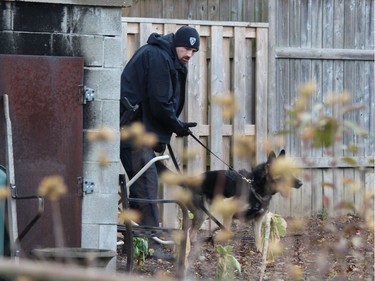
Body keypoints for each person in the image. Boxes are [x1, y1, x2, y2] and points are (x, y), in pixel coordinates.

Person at [120, 26, 200, 261]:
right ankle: (152, 244)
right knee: (147, 184)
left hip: (141, 130)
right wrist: (176, 125)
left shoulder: (167, 57)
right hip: (132, 131)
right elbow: (158, 101)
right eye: (187, 48)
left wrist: (176, 124)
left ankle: (135, 244)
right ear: (176, 43)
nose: (189, 55)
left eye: (194, 51)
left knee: (143, 185)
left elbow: (162, 102)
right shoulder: (157, 57)